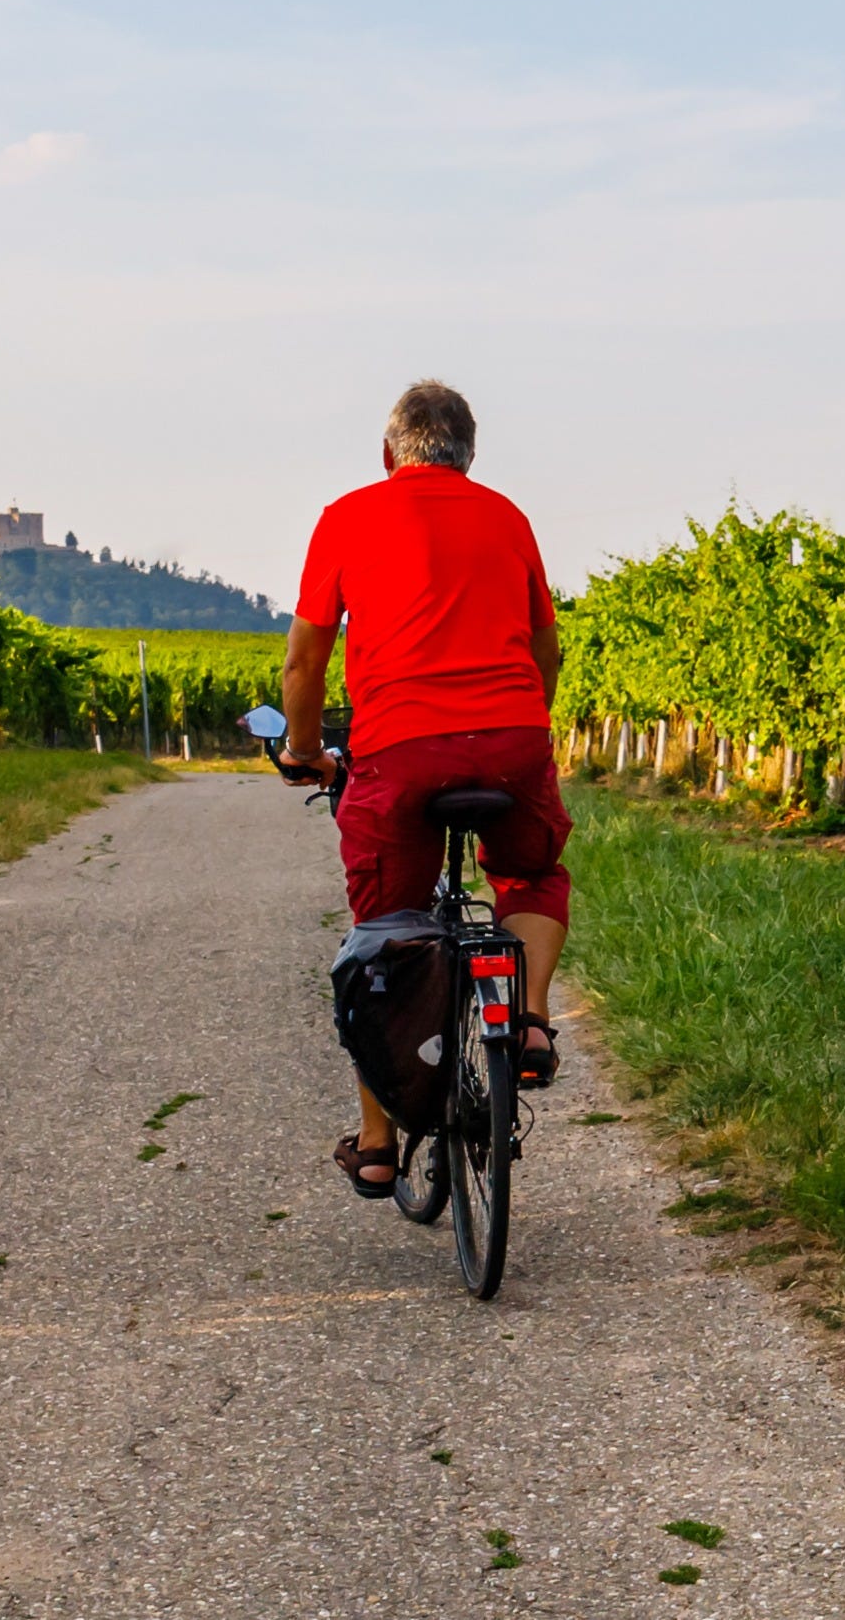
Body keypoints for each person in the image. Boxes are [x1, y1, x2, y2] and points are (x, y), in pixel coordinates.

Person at [276, 379, 567, 1201]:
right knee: (533, 870)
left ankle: (376, 1140)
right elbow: (545, 651)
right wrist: (519, 732)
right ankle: (534, 1018)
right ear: (470, 458)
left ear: (387, 453)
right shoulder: (507, 517)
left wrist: (306, 750)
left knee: (384, 933)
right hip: (510, 739)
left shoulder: (346, 516)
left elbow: (304, 662)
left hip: (398, 750)